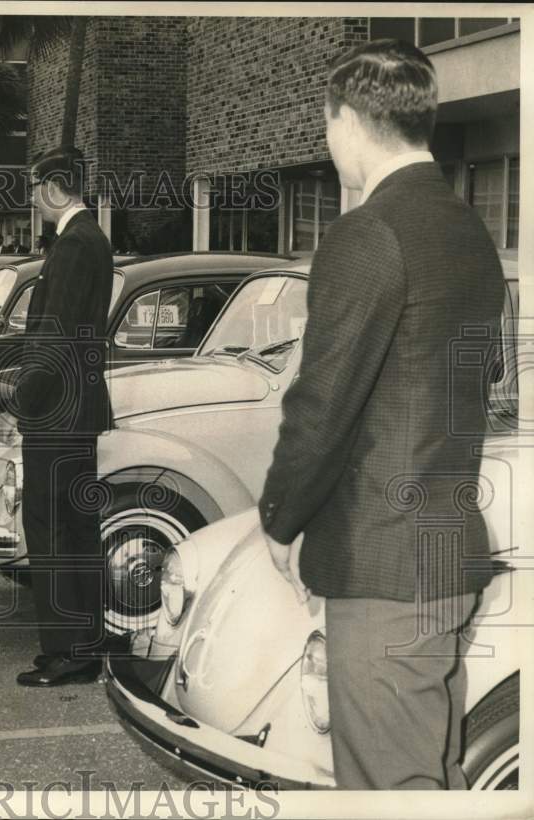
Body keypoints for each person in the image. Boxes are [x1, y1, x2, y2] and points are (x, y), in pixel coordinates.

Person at [253, 40, 504, 789]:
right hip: (446, 552)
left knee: (386, 791)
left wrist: (278, 517)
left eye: (326, 124)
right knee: (433, 773)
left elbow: (322, 401)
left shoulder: (368, 232)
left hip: (385, 568)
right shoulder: (469, 230)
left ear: (350, 121)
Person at [0, 146, 114, 687]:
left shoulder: (72, 246)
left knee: (54, 529)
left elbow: (55, 338)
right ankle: (79, 645)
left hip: (58, 412)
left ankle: (71, 652)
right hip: (75, 409)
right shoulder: (87, 240)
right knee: (74, 528)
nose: (31, 196)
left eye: (34, 184)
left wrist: (20, 403)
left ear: (52, 186)